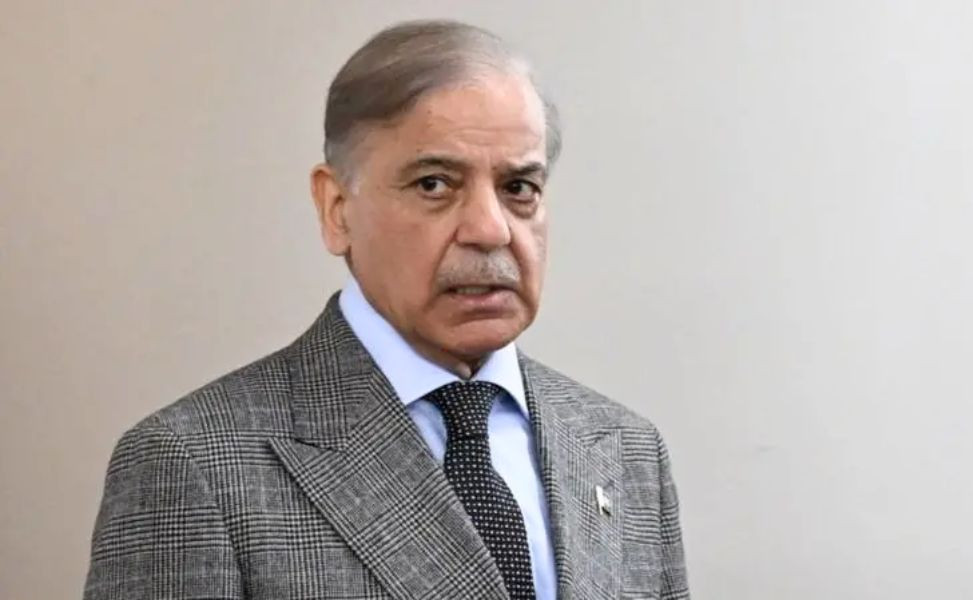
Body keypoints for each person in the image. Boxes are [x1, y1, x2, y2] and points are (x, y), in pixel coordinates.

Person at [84, 19, 689, 600]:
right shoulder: (193, 463)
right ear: (336, 209)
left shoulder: (626, 450)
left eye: (519, 188)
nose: (490, 230)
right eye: (434, 184)